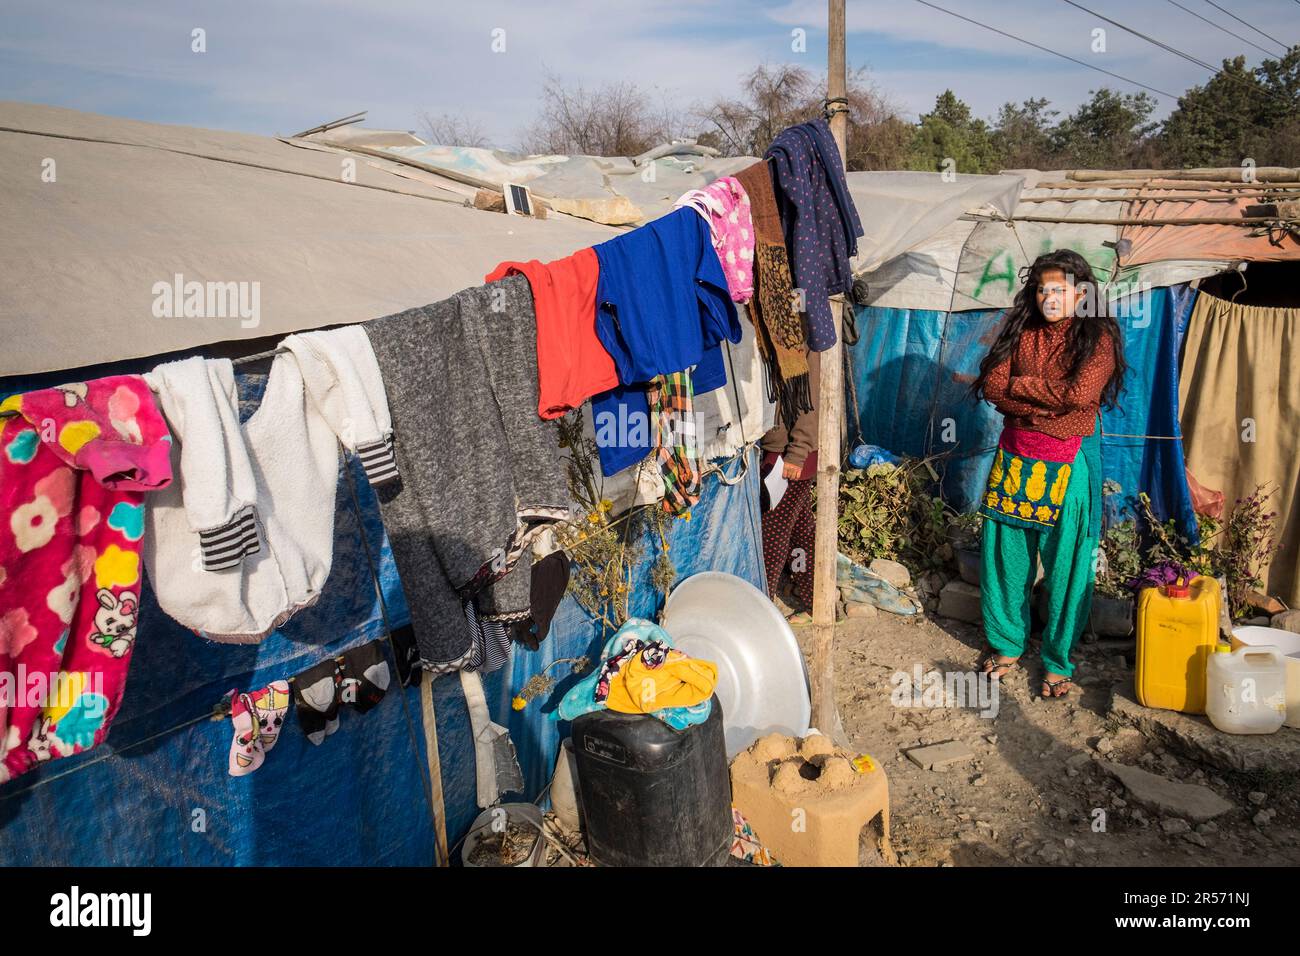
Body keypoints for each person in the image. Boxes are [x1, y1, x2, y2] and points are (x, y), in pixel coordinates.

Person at [969, 249, 1127, 698]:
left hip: (1068, 461)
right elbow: (995, 388)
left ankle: (1058, 659)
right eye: (1042, 289)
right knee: (1005, 558)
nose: (1048, 297)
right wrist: (1046, 403)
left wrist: (1025, 393)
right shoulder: (1019, 331)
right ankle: (1006, 644)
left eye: (1058, 289)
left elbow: (1081, 395)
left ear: (1080, 293)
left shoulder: (1097, 337)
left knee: (1067, 563)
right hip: (1015, 458)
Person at [760, 351, 821, 623]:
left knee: (772, 535)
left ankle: (764, 613)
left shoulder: (796, 334)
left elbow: (810, 396)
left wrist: (797, 451)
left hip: (789, 456)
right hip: (783, 451)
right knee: (801, 531)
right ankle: (816, 603)